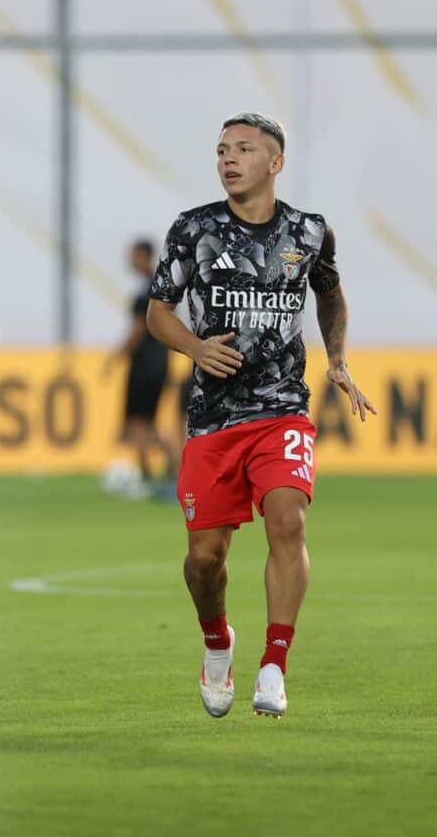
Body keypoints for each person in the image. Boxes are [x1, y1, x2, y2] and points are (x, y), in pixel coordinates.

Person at [147, 111, 375, 719]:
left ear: (275, 163)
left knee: (288, 523)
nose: (228, 159)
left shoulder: (309, 231)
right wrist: (194, 348)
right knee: (204, 560)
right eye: (222, 149)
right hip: (213, 420)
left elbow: (330, 293)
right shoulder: (193, 229)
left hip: (282, 412)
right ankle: (217, 640)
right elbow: (158, 312)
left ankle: (274, 663)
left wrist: (339, 360)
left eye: (244, 149)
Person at [103, 239, 178, 498]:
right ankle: (151, 478)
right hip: (158, 365)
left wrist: (116, 357)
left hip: (145, 367)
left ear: (145, 257)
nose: (130, 261)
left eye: (134, 256)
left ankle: (168, 475)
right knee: (142, 424)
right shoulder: (163, 287)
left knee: (140, 425)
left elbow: (138, 329)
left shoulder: (146, 293)